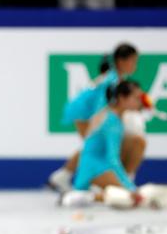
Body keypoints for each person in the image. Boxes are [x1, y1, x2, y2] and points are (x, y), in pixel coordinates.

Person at [62, 80, 167, 209]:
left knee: (131, 195)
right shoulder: (112, 122)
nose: (140, 102)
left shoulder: (114, 116)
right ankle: (82, 197)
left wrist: (128, 186)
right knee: (130, 198)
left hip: (97, 165)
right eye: (136, 98)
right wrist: (130, 187)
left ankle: (92, 195)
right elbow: (112, 159)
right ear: (122, 98)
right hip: (94, 169)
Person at [48, 43, 139, 197]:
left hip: (82, 110)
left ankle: (64, 176)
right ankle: (64, 177)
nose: (135, 66)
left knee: (93, 144)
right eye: (133, 61)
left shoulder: (115, 77)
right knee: (93, 143)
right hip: (82, 111)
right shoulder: (112, 80)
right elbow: (100, 108)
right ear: (122, 61)